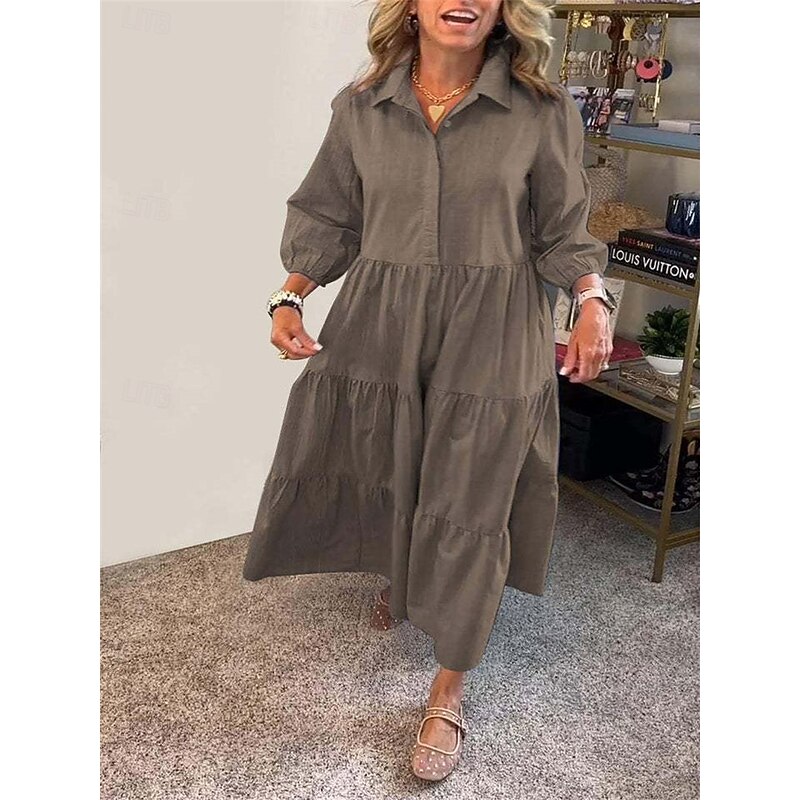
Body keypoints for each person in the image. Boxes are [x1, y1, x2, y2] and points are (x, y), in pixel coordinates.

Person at [243, 0, 614, 782]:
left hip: (494, 324)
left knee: (474, 493)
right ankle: (408, 576)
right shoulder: (362, 107)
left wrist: (591, 301)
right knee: (390, 457)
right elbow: (329, 214)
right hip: (385, 320)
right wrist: (289, 296)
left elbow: (564, 226)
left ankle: (448, 690)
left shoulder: (540, 109)